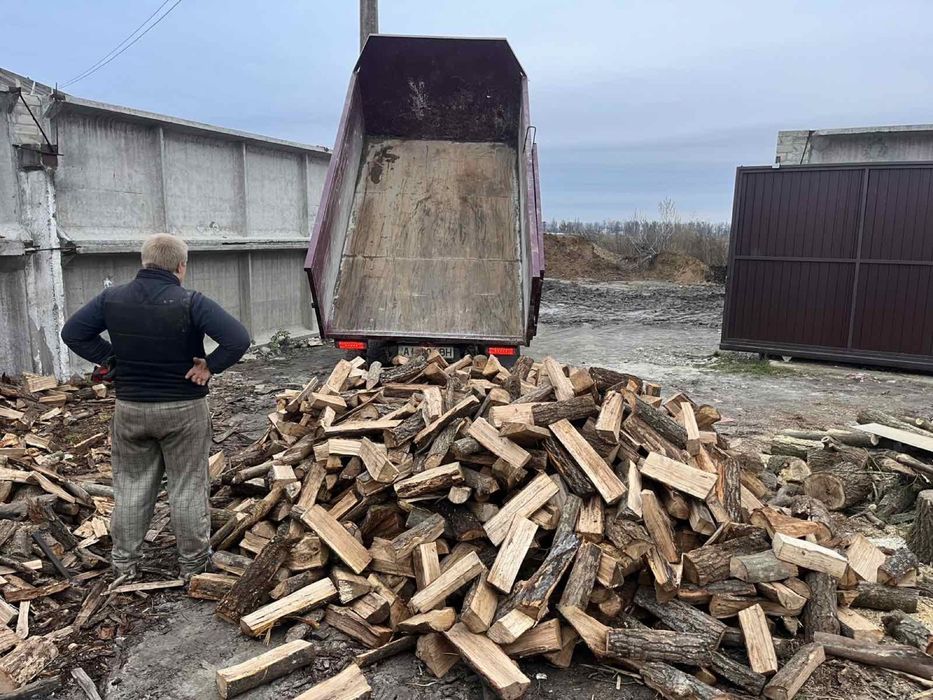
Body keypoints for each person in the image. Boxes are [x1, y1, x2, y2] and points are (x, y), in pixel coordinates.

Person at [61, 234, 250, 579]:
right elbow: (238, 339)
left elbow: (72, 333)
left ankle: (124, 565)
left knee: (131, 487)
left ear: (144, 261)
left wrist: (110, 359)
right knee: (187, 486)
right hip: (184, 409)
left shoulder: (111, 298)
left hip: (131, 408)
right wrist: (209, 366)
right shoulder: (191, 302)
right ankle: (193, 565)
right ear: (181, 266)